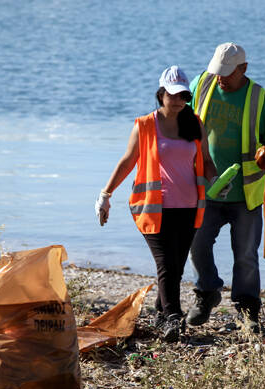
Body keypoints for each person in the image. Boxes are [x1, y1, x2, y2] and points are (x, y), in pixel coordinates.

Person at [95, 65, 218, 343]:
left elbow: (207, 163)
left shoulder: (195, 123)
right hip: (152, 207)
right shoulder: (144, 125)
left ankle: (162, 309)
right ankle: (173, 320)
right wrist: (105, 195)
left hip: (189, 207)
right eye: (173, 95)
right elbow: (127, 161)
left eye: (183, 96)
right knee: (167, 265)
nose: (178, 101)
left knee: (177, 265)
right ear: (161, 94)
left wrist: (220, 181)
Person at [187, 43, 265, 333]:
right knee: (197, 244)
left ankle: (247, 309)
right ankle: (206, 293)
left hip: (244, 195)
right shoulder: (202, 84)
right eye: (218, 71)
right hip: (206, 189)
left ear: (244, 69)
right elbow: (181, 118)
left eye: (228, 73)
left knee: (245, 254)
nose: (221, 77)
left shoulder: (259, 98)